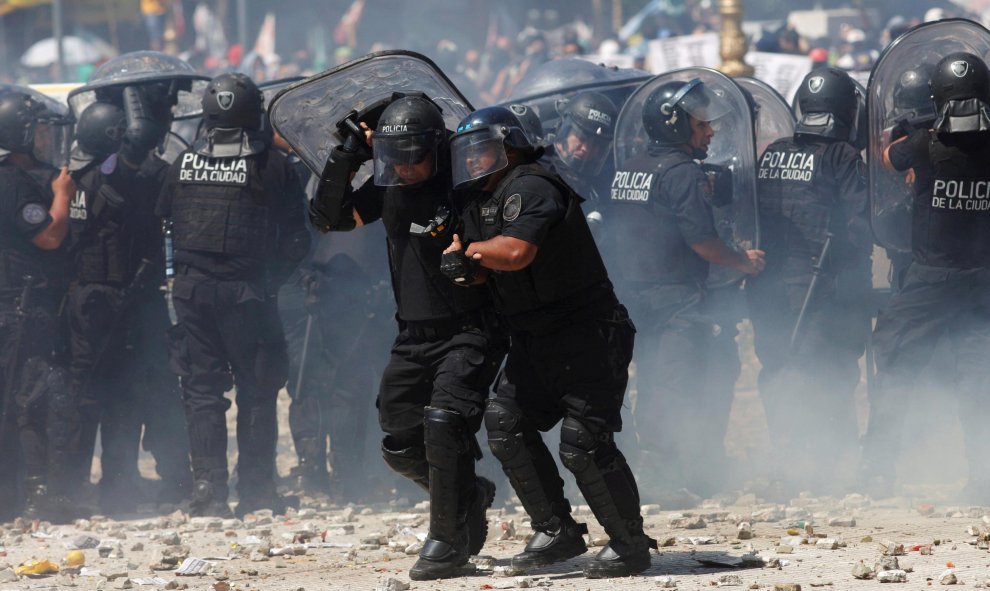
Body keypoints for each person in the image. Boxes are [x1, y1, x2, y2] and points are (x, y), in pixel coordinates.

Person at [441, 105, 655, 578]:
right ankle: (556, 530)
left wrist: (471, 253)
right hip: (535, 339)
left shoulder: (533, 184)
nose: (473, 160)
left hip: (588, 335)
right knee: (505, 421)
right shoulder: (477, 201)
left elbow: (515, 252)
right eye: (468, 153)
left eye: (483, 150)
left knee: (583, 441)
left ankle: (630, 544)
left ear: (511, 146)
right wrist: (464, 264)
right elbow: (481, 268)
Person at [307, 94, 504, 580]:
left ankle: (446, 543)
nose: (407, 166)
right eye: (395, 156)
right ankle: (468, 495)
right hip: (412, 335)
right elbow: (329, 219)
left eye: (415, 154)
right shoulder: (389, 186)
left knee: (443, 422)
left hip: (468, 328)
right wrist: (346, 156)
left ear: (436, 148)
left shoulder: (464, 187)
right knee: (398, 442)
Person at [157, 72, 311, 518]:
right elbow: (297, 240)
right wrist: (269, 283)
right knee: (258, 392)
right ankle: (258, 492)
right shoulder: (271, 165)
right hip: (248, 296)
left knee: (202, 391)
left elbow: (164, 223)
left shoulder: (182, 163)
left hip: (191, 295)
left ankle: (208, 491)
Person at [607, 79, 765, 502]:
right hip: (677, 297)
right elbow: (702, 242)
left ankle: (678, 473)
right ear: (676, 125)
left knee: (655, 381)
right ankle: (666, 479)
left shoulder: (630, 168)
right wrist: (741, 260)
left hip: (636, 296)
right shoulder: (682, 174)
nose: (710, 132)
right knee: (678, 384)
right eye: (701, 124)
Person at [861, 52, 990, 502]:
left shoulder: (923, 146)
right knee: (979, 381)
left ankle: (878, 472)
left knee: (895, 366)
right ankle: (982, 479)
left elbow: (883, 157)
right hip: (983, 285)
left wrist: (909, 129)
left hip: (931, 281)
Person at [65, 87, 193, 514]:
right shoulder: (112, 178)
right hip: (113, 301)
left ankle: (99, 484)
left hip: (104, 300)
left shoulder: (76, 178)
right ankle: (108, 484)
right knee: (117, 393)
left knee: (115, 394)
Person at [746, 68, 872, 496]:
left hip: (768, 288)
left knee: (779, 370)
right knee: (828, 373)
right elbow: (858, 228)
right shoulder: (840, 156)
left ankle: (787, 460)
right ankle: (826, 468)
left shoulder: (775, 152)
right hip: (822, 290)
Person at [0, 90, 76, 521]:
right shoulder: (12, 183)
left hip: (16, 304)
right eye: (41, 132)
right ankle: (32, 494)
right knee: (29, 399)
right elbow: (48, 236)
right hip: (19, 309)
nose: (48, 140)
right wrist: (62, 194)